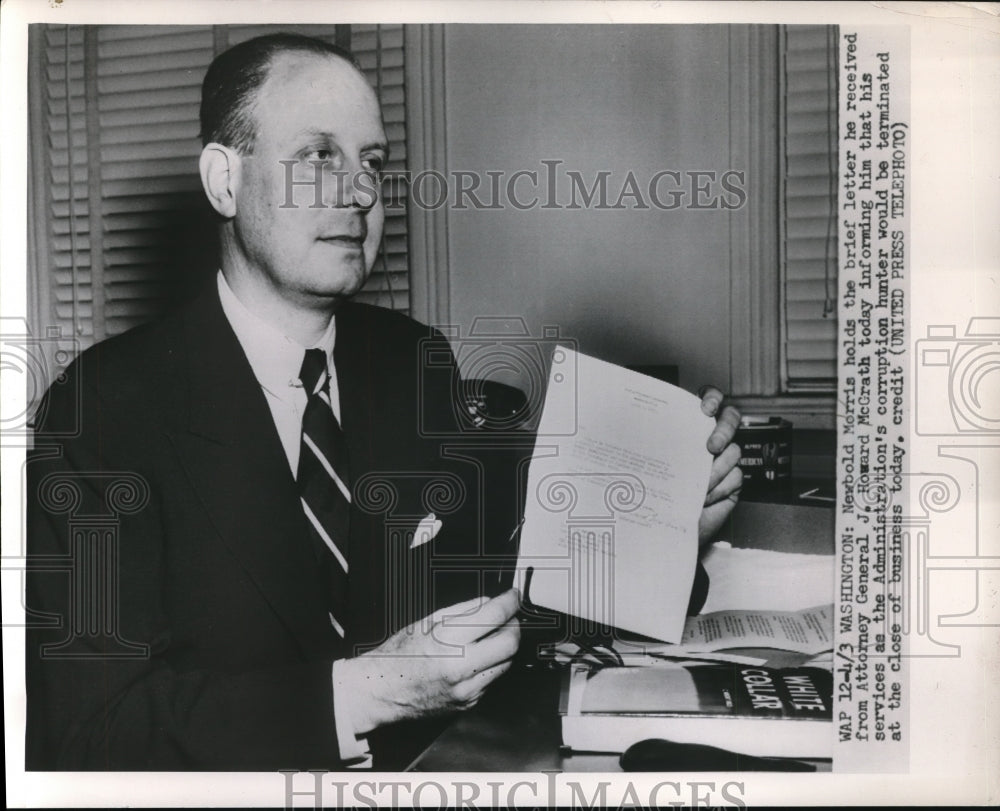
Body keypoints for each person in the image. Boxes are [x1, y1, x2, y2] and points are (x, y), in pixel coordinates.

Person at [25, 33, 742, 770]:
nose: (361, 193)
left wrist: (666, 530)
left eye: (371, 162)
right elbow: (88, 734)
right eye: (319, 155)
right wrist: (365, 695)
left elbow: (514, 597)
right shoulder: (104, 410)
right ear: (224, 181)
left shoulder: (410, 360)